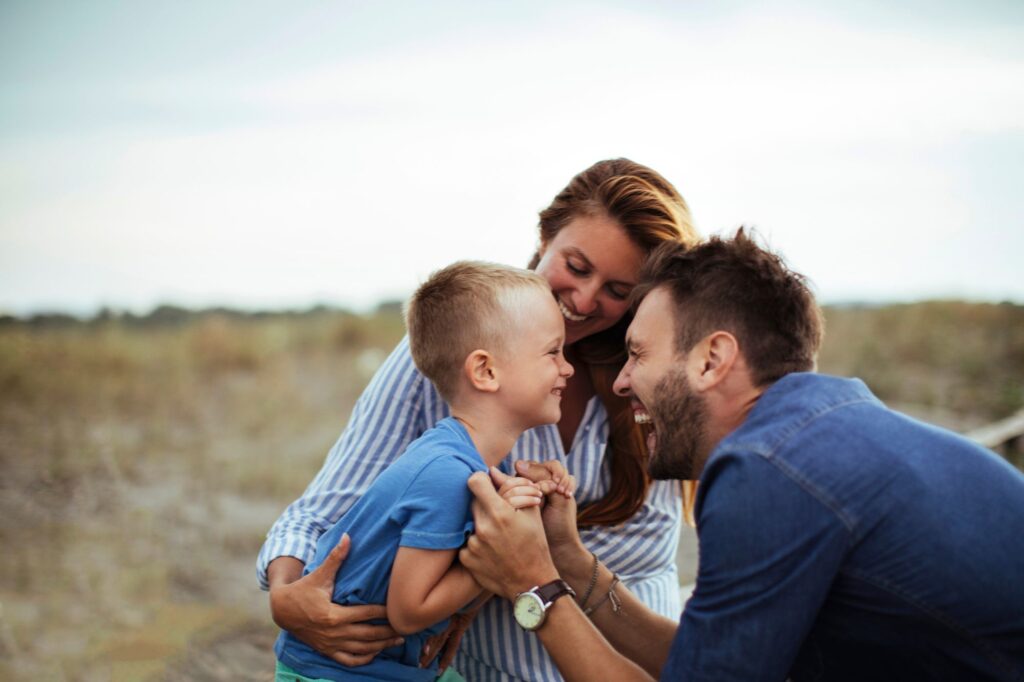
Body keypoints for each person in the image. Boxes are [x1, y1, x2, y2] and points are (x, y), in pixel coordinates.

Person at [459, 230, 1024, 682]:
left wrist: (533, 584)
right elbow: (700, 662)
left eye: (638, 354)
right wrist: (570, 564)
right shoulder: (824, 436)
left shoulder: (767, 470)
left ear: (712, 360)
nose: (625, 381)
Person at [257, 159, 702, 680]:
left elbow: (630, 555)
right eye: (577, 267)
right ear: (544, 237)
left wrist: (522, 560)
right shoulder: (457, 350)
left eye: (617, 290)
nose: (583, 300)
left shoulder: (651, 379)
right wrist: (288, 598)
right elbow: (329, 508)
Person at [274, 261, 576, 681]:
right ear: (486, 371)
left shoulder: (484, 461)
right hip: (338, 672)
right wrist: (495, 559)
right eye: (553, 352)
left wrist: (533, 501)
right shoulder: (445, 475)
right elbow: (408, 611)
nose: (568, 367)